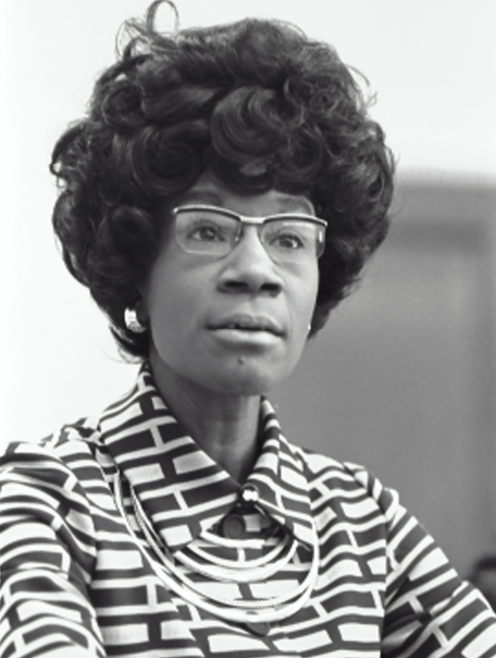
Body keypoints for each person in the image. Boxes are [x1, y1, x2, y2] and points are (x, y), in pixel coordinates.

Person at [1, 1, 495, 656]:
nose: (256, 271)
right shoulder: (47, 498)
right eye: (208, 229)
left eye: (290, 236)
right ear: (136, 263)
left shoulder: (359, 517)